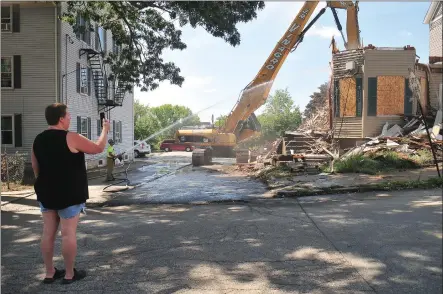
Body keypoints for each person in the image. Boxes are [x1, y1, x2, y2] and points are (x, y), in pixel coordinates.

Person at [31, 103, 110, 284]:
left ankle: (50, 273)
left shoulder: (38, 139)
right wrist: (105, 130)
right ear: (60, 119)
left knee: (48, 233)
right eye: (67, 116)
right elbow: (98, 148)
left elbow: (36, 169)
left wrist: (46, 184)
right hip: (69, 194)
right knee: (68, 233)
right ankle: (68, 274)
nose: (70, 118)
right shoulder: (71, 137)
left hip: (46, 193)